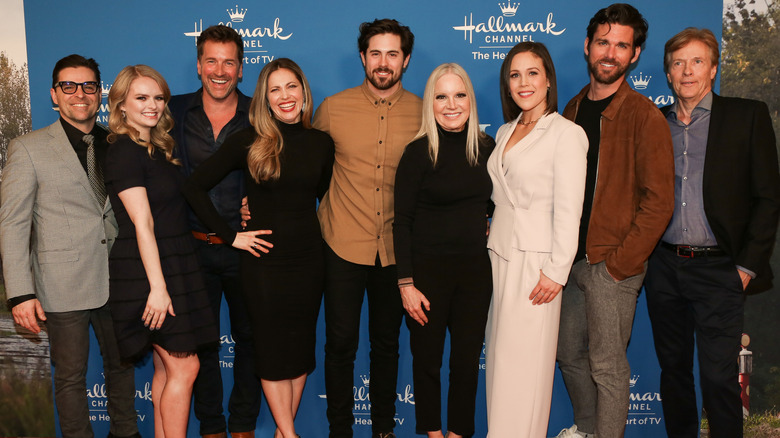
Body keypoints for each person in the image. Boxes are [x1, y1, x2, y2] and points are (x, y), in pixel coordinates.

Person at [184, 58, 334, 438]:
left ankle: (285, 432)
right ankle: (290, 432)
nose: (285, 96)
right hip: (262, 262)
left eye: (291, 87)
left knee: (300, 349)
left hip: (308, 261)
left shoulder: (321, 143)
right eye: (275, 90)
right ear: (265, 99)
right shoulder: (248, 141)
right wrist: (231, 235)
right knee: (270, 351)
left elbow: (317, 196)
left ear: (303, 91)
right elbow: (193, 187)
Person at [644, 28, 780, 438]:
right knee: (674, 374)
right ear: (668, 74)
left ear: (714, 69)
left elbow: (768, 198)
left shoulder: (746, 115)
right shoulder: (654, 124)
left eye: (697, 61)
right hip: (664, 267)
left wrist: (745, 268)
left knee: (720, 380)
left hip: (722, 269)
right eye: (678, 63)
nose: (687, 72)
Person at [0, 54, 140, 438]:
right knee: (71, 378)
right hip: (62, 284)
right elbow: (12, 223)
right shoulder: (27, 148)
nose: (80, 94)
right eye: (69, 86)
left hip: (121, 277)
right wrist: (20, 293)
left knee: (123, 368)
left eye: (89, 86)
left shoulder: (120, 144)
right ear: (54, 94)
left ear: (100, 94)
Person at [553, 4, 675, 438]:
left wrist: (620, 265)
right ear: (587, 47)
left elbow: (660, 202)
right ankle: (587, 429)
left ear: (635, 54)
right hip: (568, 264)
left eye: (621, 45)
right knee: (568, 353)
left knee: (607, 365)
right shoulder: (569, 110)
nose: (610, 52)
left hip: (612, 265)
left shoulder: (644, 115)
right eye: (603, 42)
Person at [312, 18, 422, 438]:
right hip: (342, 244)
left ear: (405, 60)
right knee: (340, 346)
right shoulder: (332, 108)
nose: (383, 62)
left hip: (396, 251)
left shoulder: (423, 110)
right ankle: (339, 430)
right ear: (363, 57)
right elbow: (310, 172)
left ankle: (382, 431)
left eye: (392, 53)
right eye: (375, 53)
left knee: (387, 346)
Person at [105, 64, 217, 438]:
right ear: (120, 104)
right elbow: (143, 224)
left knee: (166, 369)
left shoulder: (155, 147)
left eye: (158, 97)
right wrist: (157, 287)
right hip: (147, 271)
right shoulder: (123, 150)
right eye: (141, 97)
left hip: (173, 262)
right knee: (185, 369)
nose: (152, 105)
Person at [485, 42, 588, 438]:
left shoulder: (567, 134)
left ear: (548, 79)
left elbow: (569, 209)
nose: (523, 82)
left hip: (538, 266)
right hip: (501, 257)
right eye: (514, 74)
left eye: (532, 73)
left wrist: (556, 271)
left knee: (526, 370)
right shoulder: (505, 130)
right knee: (501, 363)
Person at [168, 24, 262, 438]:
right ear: (200, 65)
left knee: (251, 341)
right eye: (212, 61)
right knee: (201, 345)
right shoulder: (172, 111)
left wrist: (257, 201)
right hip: (191, 248)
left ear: (241, 69)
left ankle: (242, 426)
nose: (220, 70)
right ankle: (211, 427)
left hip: (247, 250)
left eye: (229, 62)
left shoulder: (261, 114)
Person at [393, 63, 495, 438]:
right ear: (430, 104)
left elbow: (501, 203)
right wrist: (406, 283)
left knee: (467, 363)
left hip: (474, 276)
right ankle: (433, 433)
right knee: (427, 362)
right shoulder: (418, 153)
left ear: (469, 99)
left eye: (459, 95)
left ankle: (458, 433)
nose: (451, 105)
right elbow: (400, 221)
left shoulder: (488, 149)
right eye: (441, 96)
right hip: (426, 278)